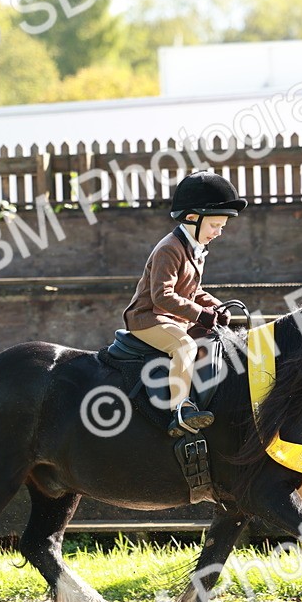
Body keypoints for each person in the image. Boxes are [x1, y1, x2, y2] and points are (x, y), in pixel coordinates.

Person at [123, 171, 247, 437]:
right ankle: (181, 410)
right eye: (215, 225)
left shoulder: (194, 248)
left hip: (171, 319)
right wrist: (200, 314)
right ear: (192, 218)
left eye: (222, 226)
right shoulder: (170, 248)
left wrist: (217, 307)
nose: (219, 232)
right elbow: (162, 296)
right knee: (185, 345)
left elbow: (193, 289)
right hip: (148, 318)